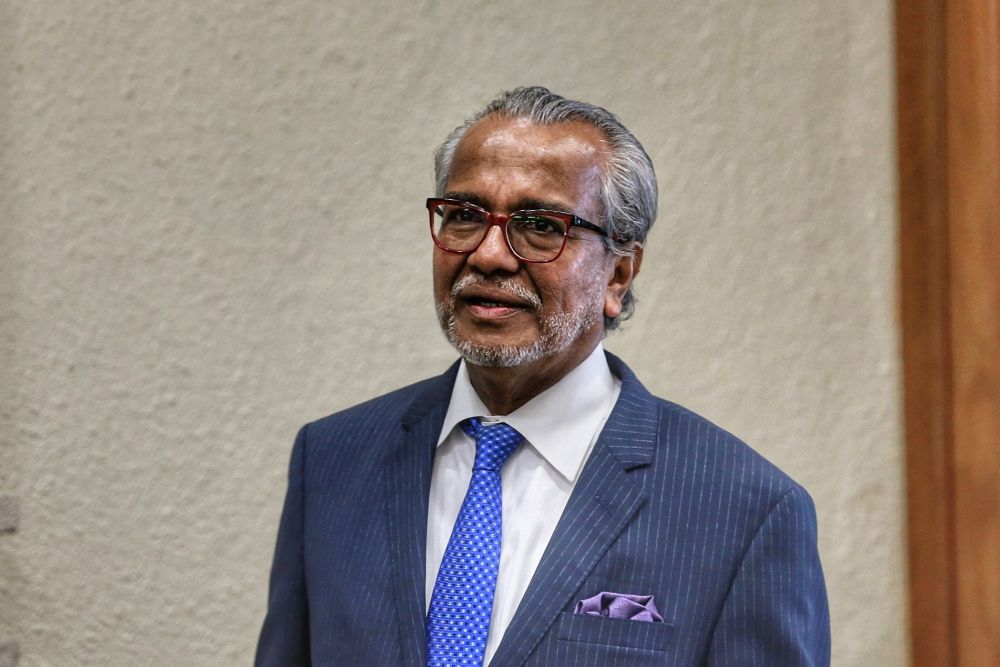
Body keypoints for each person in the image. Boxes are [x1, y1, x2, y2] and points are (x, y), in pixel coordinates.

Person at [255, 86, 830, 667]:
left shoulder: (743, 510)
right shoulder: (333, 460)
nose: (489, 255)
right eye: (463, 217)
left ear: (618, 275)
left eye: (539, 226)